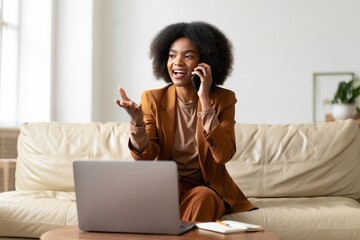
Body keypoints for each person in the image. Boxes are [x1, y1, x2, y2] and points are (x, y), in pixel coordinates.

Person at [114, 21, 256, 222]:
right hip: (165, 188)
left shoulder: (224, 99)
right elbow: (145, 157)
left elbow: (223, 155)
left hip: (205, 189)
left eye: (188, 56)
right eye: (172, 56)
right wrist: (137, 123)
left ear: (206, 62)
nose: (177, 62)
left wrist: (205, 99)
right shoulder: (152, 99)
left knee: (203, 199)